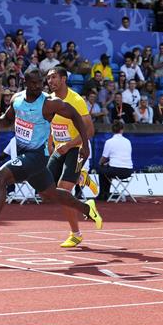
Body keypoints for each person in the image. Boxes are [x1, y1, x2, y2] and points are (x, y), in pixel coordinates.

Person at [0, 69, 102, 243]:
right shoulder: (17, 99)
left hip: (38, 156)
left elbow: (77, 117)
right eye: (33, 83)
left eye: (40, 82)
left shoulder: (49, 103)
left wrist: (84, 146)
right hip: (25, 154)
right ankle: (86, 208)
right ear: (25, 82)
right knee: (49, 194)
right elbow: (7, 121)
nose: (38, 86)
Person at [46, 67, 98, 248]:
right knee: (45, 189)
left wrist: (68, 145)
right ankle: (81, 177)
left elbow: (90, 130)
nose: (50, 81)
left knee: (63, 190)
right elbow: (52, 123)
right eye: (48, 78)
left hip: (76, 148)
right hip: (59, 148)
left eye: (54, 78)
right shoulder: (48, 99)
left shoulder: (76, 100)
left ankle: (75, 234)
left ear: (63, 79)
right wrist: (50, 141)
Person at [97, 120, 133, 201]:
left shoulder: (109, 142)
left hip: (116, 170)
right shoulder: (128, 141)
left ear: (112, 130)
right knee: (106, 169)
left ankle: (103, 193)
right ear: (122, 130)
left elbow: (104, 158)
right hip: (128, 171)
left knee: (101, 169)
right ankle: (106, 193)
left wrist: (100, 164)